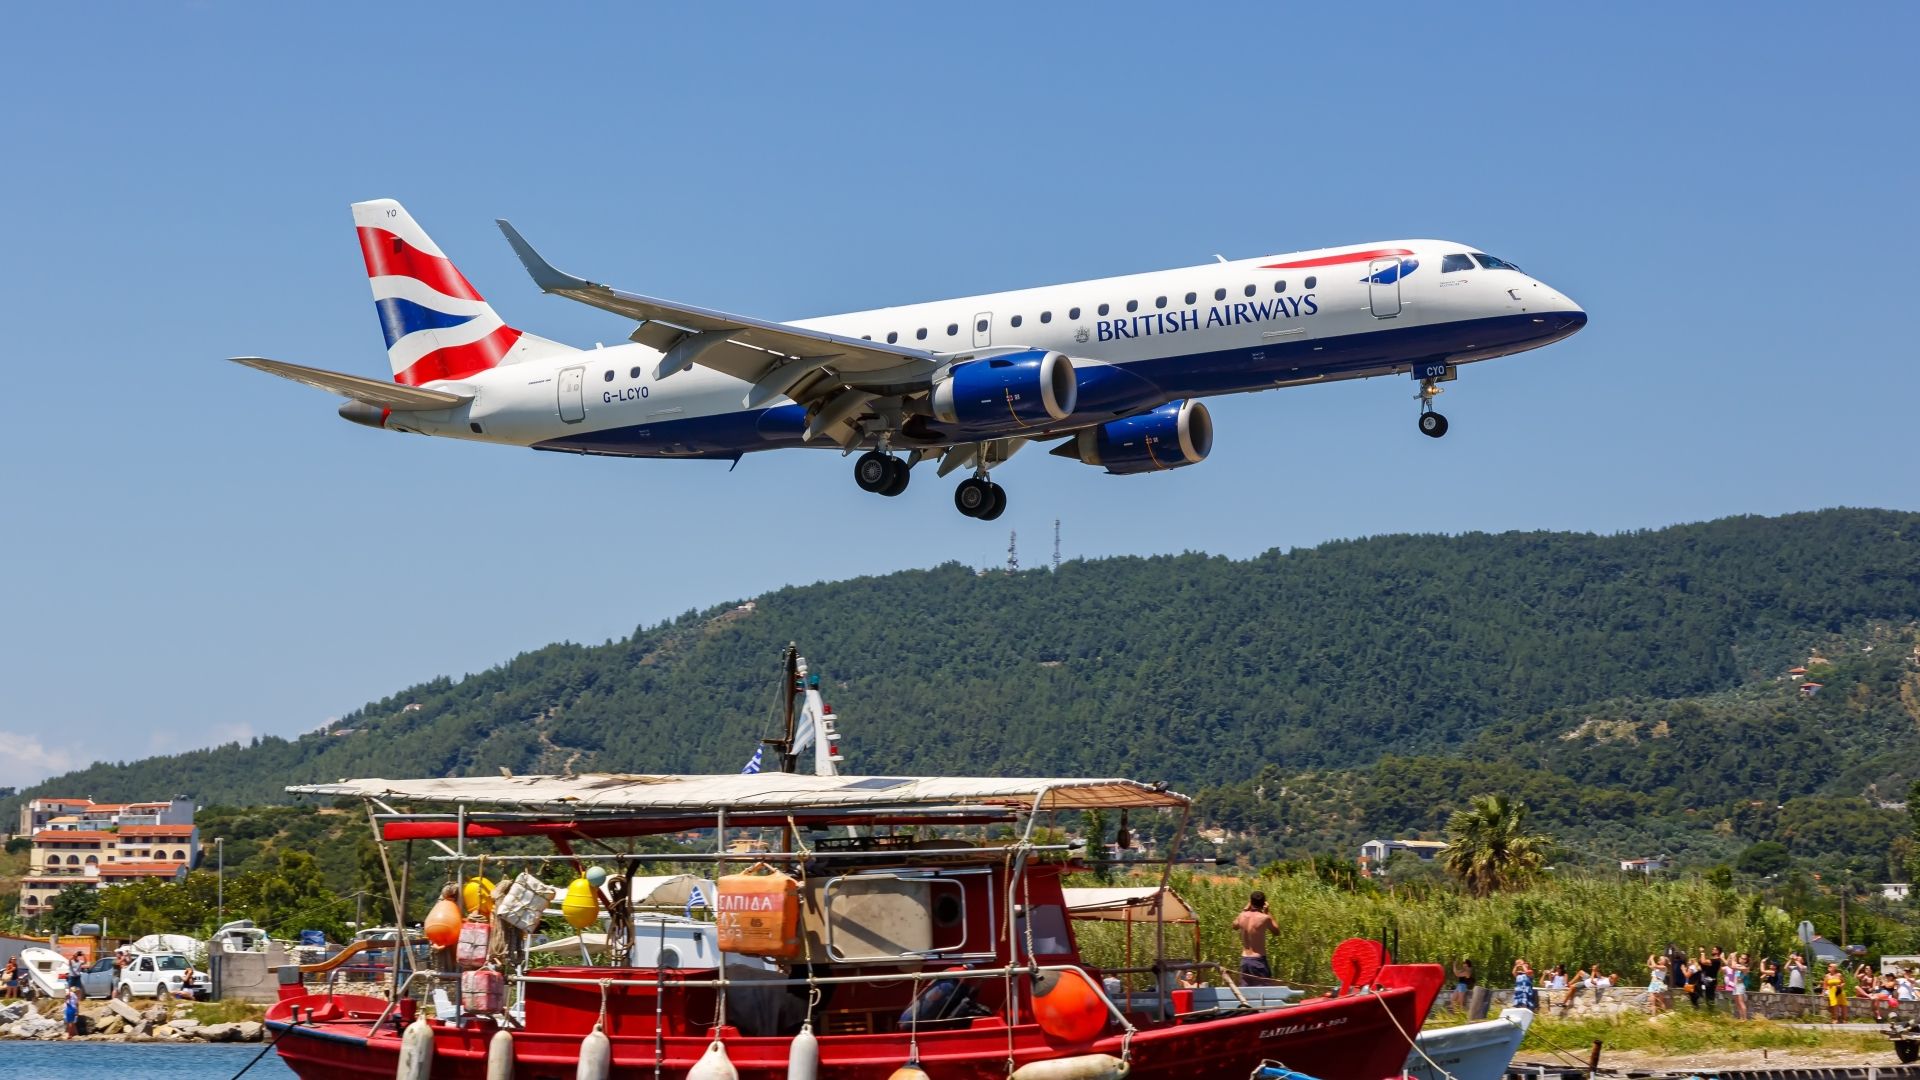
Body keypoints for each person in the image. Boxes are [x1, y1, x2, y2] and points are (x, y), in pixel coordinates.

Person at [1232, 891, 1281, 986]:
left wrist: (1245, 908)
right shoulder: (1265, 918)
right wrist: (1268, 912)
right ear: (1263, 904)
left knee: (1245, 993)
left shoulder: (1242, 915)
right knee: (1263, 992)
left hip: (1245, 960)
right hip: (1258, 961)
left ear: (1250, 902)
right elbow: (1276, 932)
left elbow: (1234, 926)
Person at [1727, 953, 1750, 1020]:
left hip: (1740, 986)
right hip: (1735, 986)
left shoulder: (1744, 968)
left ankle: (1745, 1018)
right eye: (1740, 957)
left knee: (1741, 1002)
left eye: (1743, 958)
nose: (1741, 959)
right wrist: (1730, 956)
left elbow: (1733, 966)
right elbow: (1728, 964)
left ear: (1745, 960)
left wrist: (1733, 957)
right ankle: (1741, 1017)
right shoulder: (1738, 966)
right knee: (1737, 1003)